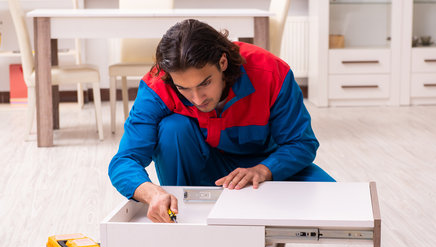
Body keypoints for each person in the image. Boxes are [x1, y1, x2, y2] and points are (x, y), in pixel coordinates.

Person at [108, 19, 334, 223]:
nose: (197, 98)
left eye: (205, 83)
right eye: (183, 88)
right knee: (172, 128)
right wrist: (152, 193)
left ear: (223, 62)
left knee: (336, 201)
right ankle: (189, 220)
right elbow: (125, 159)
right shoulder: (157, 85)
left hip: (266, 165)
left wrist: (265, 170)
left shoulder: (271, 72)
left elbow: (301, 143)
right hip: (204, 167)